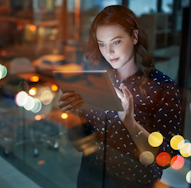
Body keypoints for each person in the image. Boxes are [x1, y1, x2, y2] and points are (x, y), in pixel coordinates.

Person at [58, 5, 181, 188]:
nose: (109, 52)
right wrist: (73, 112)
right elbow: (80, 144)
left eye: (116, 42)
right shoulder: (95, 80)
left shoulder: (163, 87)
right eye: (102, 44)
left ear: (134, 36)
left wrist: (130, 123)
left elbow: (166, 157)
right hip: (89, 181)